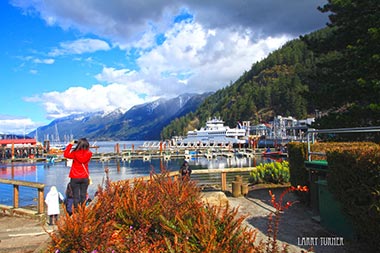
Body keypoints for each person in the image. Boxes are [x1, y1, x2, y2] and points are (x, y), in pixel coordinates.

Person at [63, 138, 93, 209]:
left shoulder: (75, 153)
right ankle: (83, 210)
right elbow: (85, 153)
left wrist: (70, 144)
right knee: (83, 195)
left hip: (75, 177)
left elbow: (65, 154)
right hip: (84, 177)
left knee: (76, 196)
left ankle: (76, 211)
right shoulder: (89, 154)